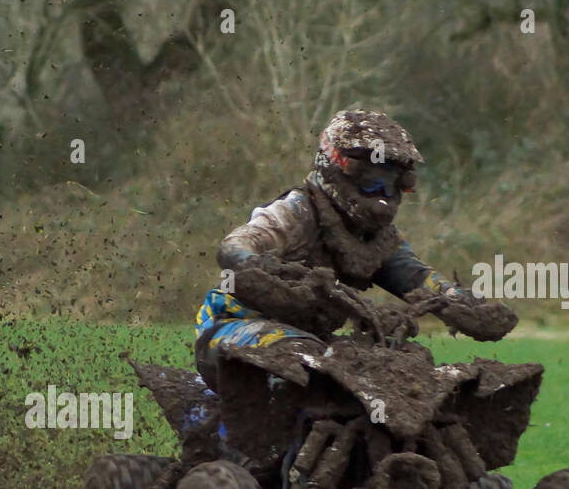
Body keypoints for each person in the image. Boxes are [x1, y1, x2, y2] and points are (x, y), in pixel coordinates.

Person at [195, 108, 475, 390]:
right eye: (371, 182)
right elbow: (234, 245)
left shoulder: (376, 239)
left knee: (401, 363)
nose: (381, 195)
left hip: (309, 339)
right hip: (230, 329)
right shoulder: (297, 211)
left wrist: (458, 301)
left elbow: (416, 278)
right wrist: (261, 268)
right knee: (306, 360)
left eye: (390, 185)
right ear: (336, 168)